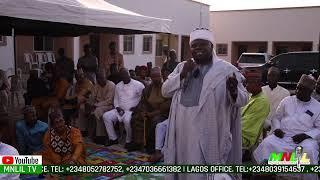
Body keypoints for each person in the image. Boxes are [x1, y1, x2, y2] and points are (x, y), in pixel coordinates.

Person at [162, 28, 248, 180]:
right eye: (194, 45)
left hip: (211, 130)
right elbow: (165, 91)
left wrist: (234, 91)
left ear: (211, 46)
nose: (198, 48)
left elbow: (243, 99)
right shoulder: (182, 67)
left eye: (202, 44)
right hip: (183, 130)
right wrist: (182, 75)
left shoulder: (226, 70)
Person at [253, 74, 320, 180]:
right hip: (283, 136)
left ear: (310, 92)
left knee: (308, 150)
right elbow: (276, 118)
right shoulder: (287, 100)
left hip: (303, 140)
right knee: (267, 143)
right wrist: (277, 129)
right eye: (297, 87)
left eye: (302, 89)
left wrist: (306, 135)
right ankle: (268, 174)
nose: (297, 91)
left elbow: (318, 128)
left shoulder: (317, 106)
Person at [129, 67, 171, 152]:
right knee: (135, 117)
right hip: (149, 111)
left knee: (155, 121)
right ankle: (138, 143)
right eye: (153, 76)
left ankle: (151, 146)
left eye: (157, 76)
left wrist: (151, 114)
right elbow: (143, 102)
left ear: (161, 76)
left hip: (162, 114)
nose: (155, 78)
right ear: (151, 77)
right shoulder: (148, 89)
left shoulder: (167, 88)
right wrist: (143, 112)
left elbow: (167, 106)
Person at [103, 68, 145, 147]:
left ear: (129, 74)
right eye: (123, 76)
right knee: (106, 116)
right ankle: (113, 139)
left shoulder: (138, 85)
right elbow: (116, 99)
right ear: (121, 77)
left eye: (126, 75)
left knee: (127, 120)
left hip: (131, 111)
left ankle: (128, 141)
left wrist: (137, 107)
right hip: (119, 110)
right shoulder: (118, 85)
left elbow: (143, 98)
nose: (125, 77)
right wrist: (118, 107)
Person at [241, 69, 270, 149]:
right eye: (246, 82)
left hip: (245, 138)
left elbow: (246, 126)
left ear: (259, 84)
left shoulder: (262, 101)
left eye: (250, 83)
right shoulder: (251, 96)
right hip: (238, 132)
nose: (246, 85)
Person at [88, 72, 115, 145]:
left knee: (97, 111)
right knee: (91, 110)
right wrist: (90, 104)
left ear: (106, 77)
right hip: (98, 105)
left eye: (103, 78)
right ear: (97, 79)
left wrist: (96, 105)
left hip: (109, 106)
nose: (101, 80)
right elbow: (92, 97)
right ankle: (96, 135)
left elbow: (109, 101)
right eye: (99, 79)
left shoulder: (111, 85)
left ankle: (100, 136)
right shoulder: (96, 85)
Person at [74, 69, 93, 135]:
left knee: (81, 106)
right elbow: (75, 95)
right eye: (76, 77)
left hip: (90, 102)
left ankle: (83, 130)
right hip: (80, 102)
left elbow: (82, 95)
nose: (78, 78)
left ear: (83, 75)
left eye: (79, 76)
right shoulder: (77, 83)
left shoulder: (88, 83)